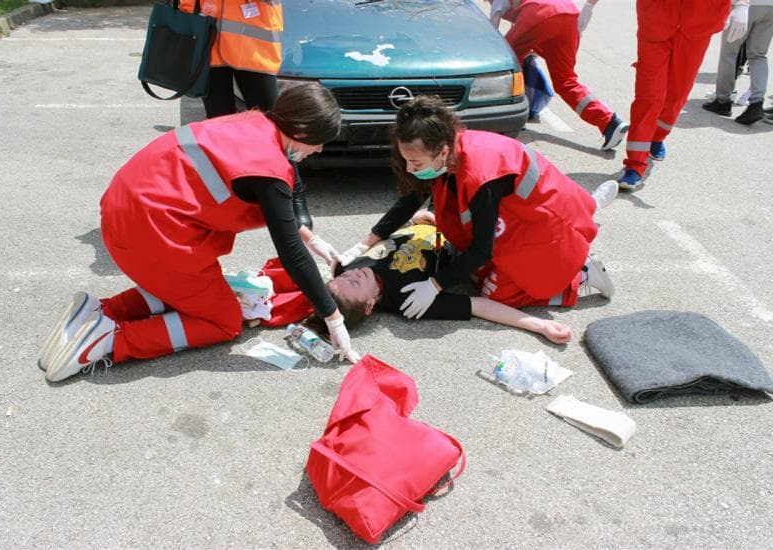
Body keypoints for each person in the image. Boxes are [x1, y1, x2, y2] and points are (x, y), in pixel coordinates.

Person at [39, 83, 359, 383]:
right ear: (300, 130)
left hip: (123, 209)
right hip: (151, 234)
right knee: (222, 320)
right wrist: (333, 318)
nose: (318, 149)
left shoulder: (256, 122)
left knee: (190, 290)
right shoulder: (270, 169)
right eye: (318, 142)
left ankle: (103, 310)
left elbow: (292, 188)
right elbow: (291, 254)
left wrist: (311, 236)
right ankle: (109, 339)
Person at [339, 96, 616, 320]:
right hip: (529, 202)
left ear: (443, 152)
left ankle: (580, 276)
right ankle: (587, 204)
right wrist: (366, 243)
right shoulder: (445, 144)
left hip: (537, 219)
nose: (410, 169)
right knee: (470, 265)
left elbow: (482, 249)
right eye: (406, 160)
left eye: (417, 164)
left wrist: (435, 286)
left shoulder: (479, 178)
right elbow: (413, 196)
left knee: (493, 292)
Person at [329, 223, 616, 344]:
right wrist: (540, 326)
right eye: (353, 285)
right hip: (458, 238)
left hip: (435, 215)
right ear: (369, 306)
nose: (353, 275)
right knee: (494, 286)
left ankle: (575, 217)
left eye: (344, 277)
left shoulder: (346, 266)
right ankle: (582, 277)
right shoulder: (407, 301)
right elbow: (478, 305)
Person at [179, 0, 314, 229]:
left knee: (275, 125)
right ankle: (233, 200)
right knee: (219, 131)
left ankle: (295, 195)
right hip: (207, 35)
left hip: (254, 41)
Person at [619, 0, 748, 191]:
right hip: (656, 17)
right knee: (648, 94)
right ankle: (635, 164)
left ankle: (657, 136)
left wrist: (742, 4)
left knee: (678, 91)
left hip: (699, 22)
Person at [488, 0, 629, 151]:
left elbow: (493, 33)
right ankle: (609, 122)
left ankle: (514, 114)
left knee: (508, 60)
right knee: (566, 80)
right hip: (570, 14)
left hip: (539, 13)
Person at [703, 1, 773, 125]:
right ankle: (757, 102)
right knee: (758, 55)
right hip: (770, 6)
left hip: (747, 4)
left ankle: (723, 100)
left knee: (729, 52)